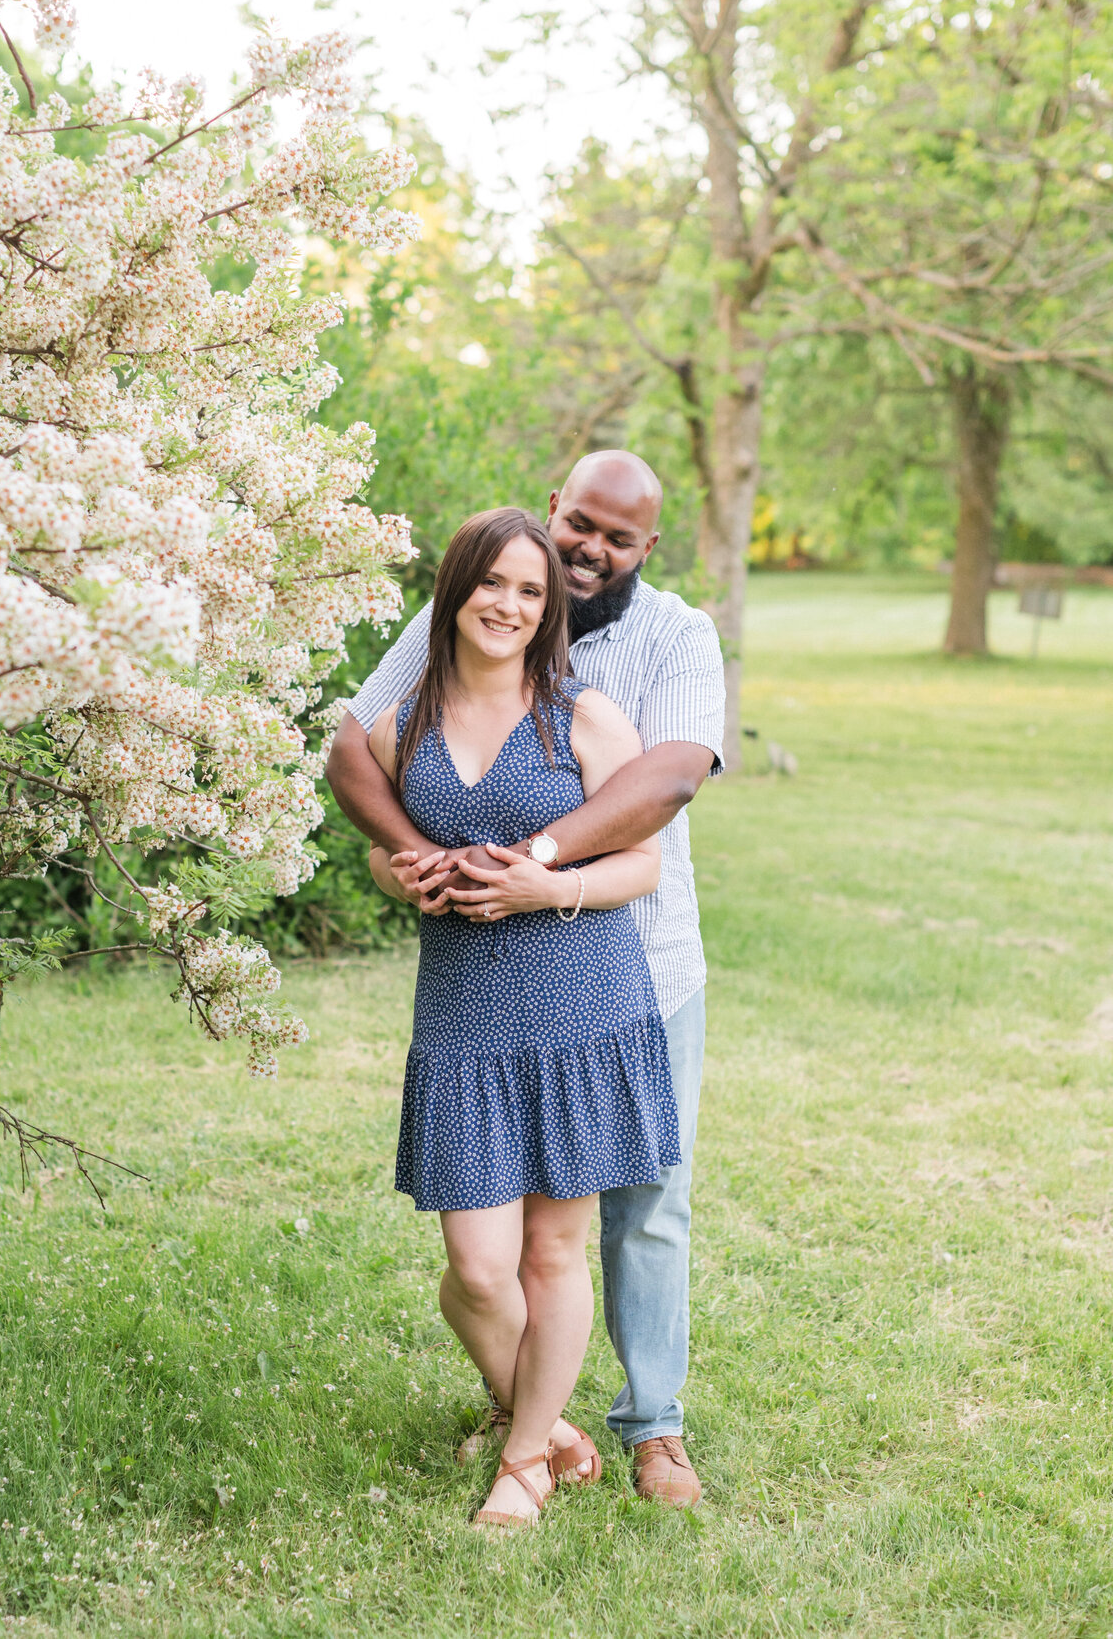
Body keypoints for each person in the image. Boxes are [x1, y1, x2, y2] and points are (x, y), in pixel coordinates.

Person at [328, 451, 725, 1509]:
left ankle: (648, 1429)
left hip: (629, 964)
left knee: (639, 1215)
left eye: (617, 536)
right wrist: (404, 855)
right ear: (556, 512)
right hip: (468, 997)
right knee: (479, 1263)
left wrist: (543, 868)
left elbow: (673, 779)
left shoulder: (667, 642)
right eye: (579, 525)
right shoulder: (465, 613)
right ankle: (538, 1423)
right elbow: (356, 748)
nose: (588, 549)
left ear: (647, 547)